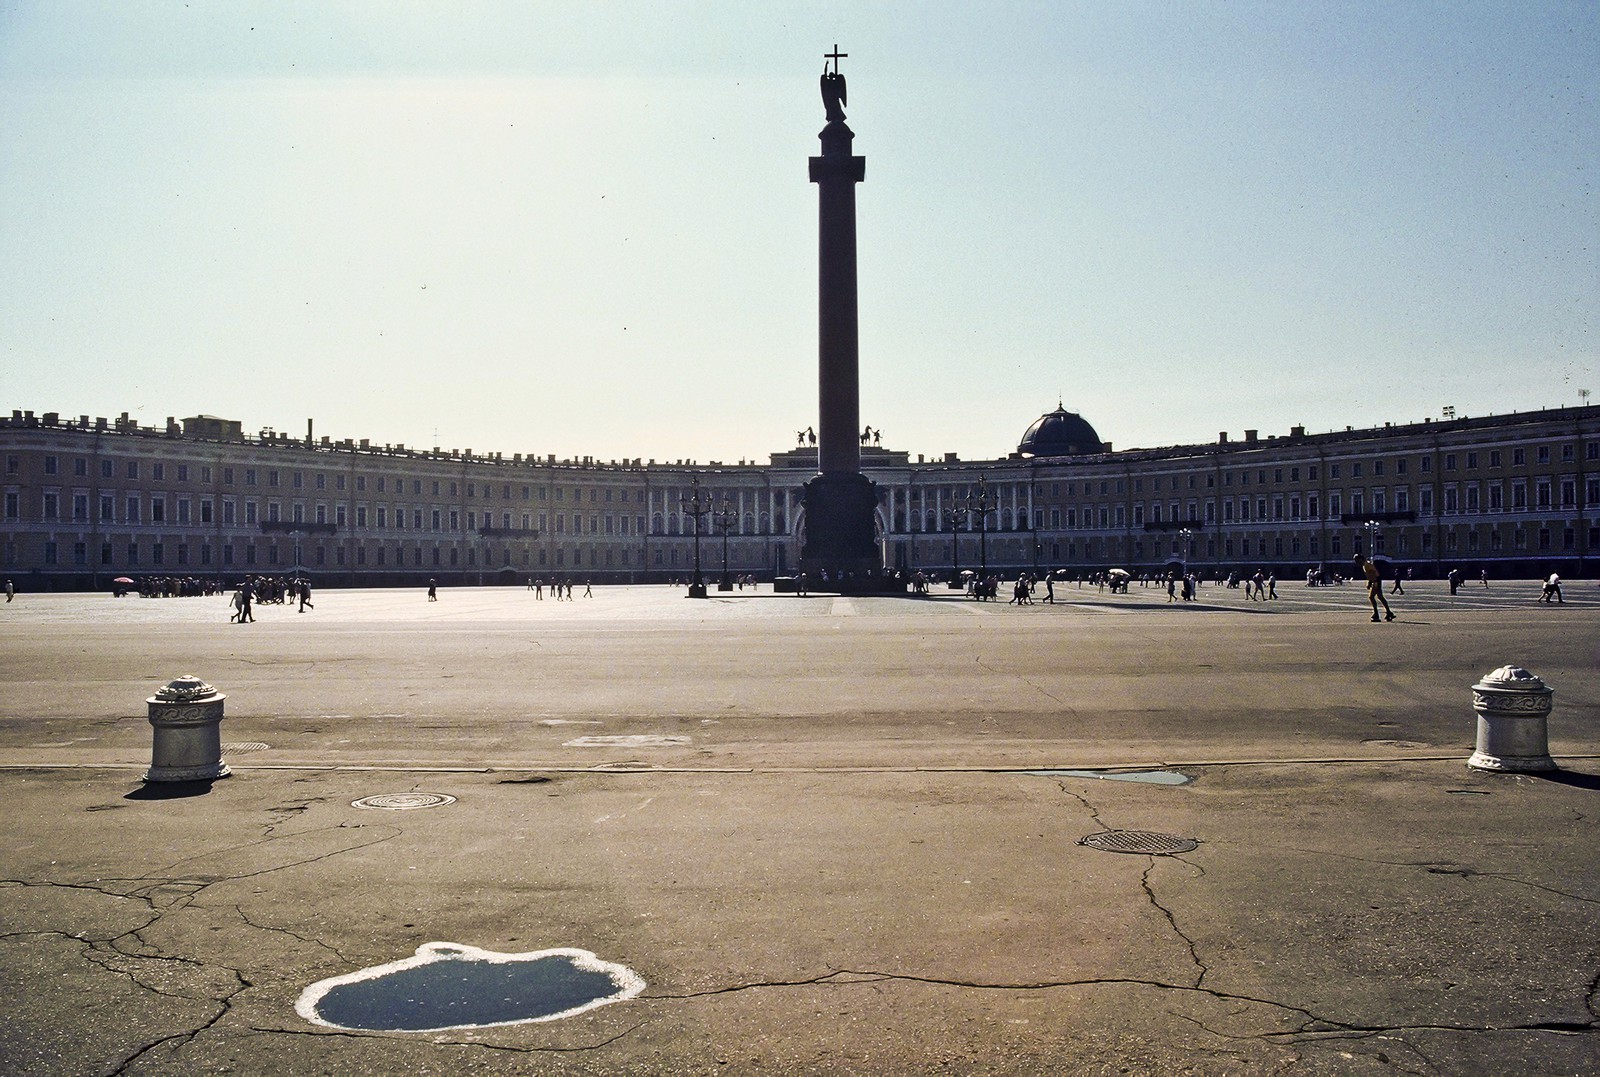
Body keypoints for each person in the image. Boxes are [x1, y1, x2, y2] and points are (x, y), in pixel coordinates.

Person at [1353, 554, 1395, 622]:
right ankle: (1388, 612)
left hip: (1376, 581)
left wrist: (1371, 583)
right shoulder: (1365, 565)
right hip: (1376, 581)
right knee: (1380, 597)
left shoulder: (1367, 565)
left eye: (1356, 560)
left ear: (1361, 559)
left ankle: (1376, 614)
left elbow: (1373, 574)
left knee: (1371, 597)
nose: (1356, 562)